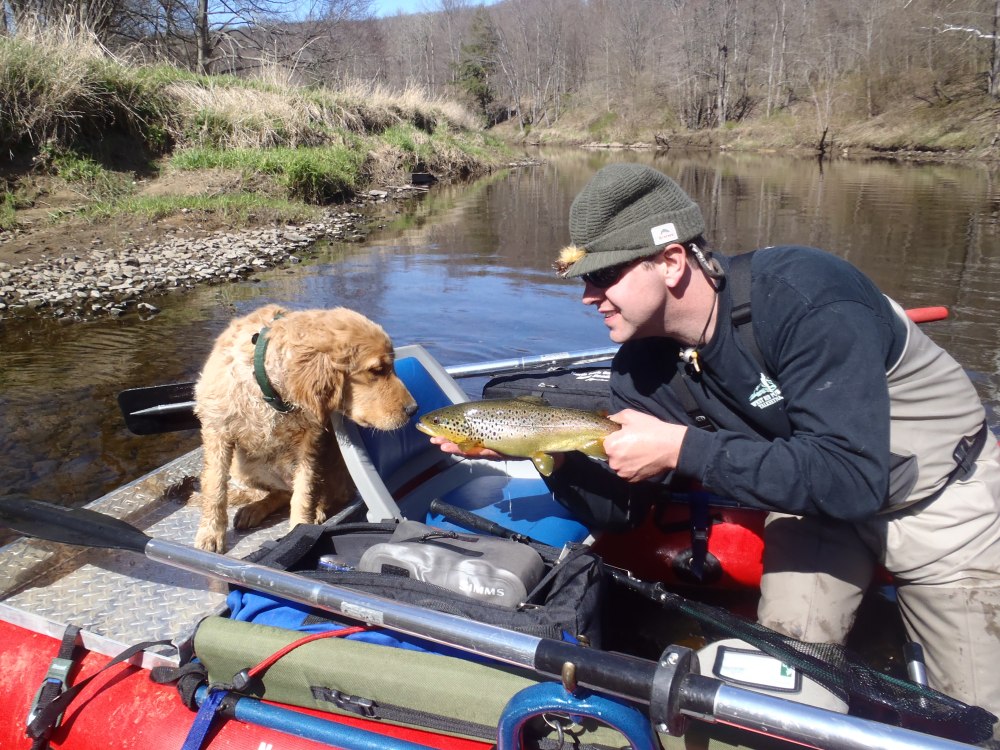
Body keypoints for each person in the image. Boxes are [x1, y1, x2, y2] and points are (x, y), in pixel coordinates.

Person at [428, 162, 1000, 734]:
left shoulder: (803, 295)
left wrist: (683, 449)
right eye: (583, 280)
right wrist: (534, 446)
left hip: (938, 498)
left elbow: (852, 476)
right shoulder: (644, 367)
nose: (587, 297)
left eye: (603, 276)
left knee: (977, 720)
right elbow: (618, 513)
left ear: (672, 261)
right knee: (784, 693)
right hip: (810, 505)